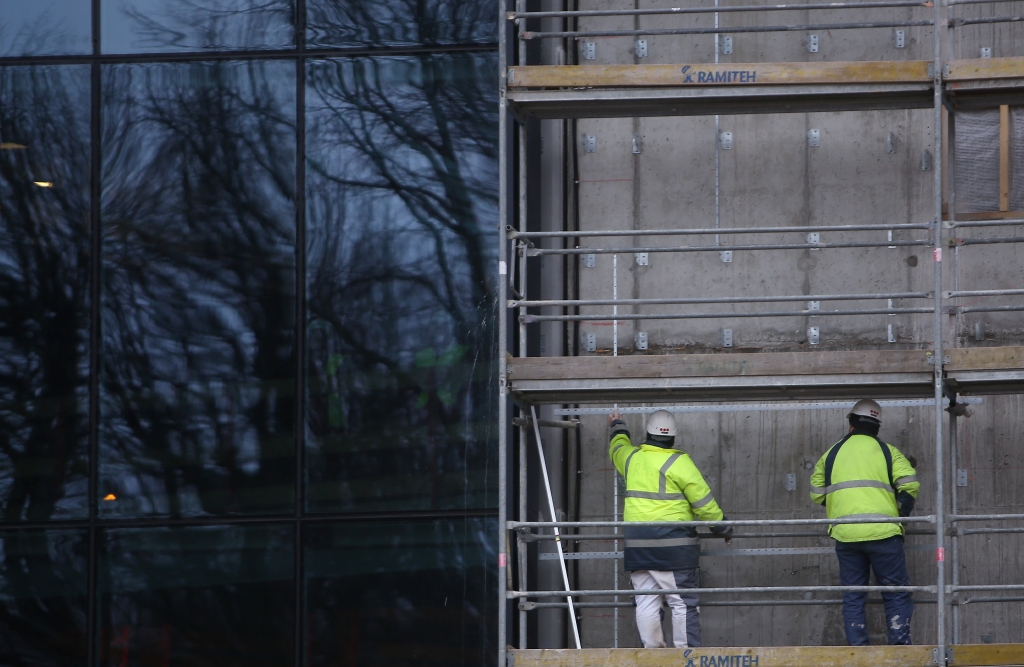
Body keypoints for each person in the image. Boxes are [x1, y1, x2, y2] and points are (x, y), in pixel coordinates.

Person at [608, 408, 733, 649]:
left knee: (645, 602)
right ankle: (685, 659)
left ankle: (654, 658)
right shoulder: (680, 462)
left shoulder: (632, 459)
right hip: (674, 548)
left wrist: (618, 426)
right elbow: (705, 505)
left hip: (638, 547)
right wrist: (722, 528)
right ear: (672, 437)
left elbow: (617, 449)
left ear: (648, 434)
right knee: (682, 603)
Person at [809, 398, 920, 646]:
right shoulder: (887, 452)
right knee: (895, 594)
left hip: (846, 535)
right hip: (884, 534)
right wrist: (902, 512)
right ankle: (900, 652)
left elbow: (817, 493)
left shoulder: (831, 454)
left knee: (853, 596)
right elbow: (909, 484)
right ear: (877, 426)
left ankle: (858, 653)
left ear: (851, 423)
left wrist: (841, 506)